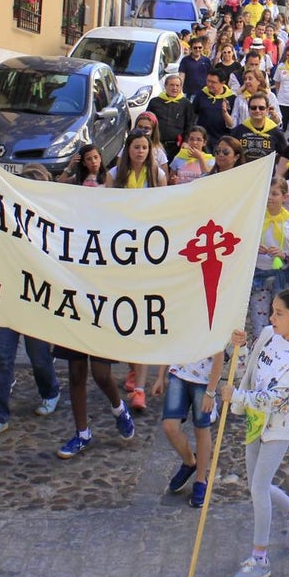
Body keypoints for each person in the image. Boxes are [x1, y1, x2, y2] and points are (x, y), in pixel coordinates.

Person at [223, 291, 289, 577]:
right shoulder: (267, 334)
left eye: (279, 313)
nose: (271, 317)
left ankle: (260, 559)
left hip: (279, 426)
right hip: (256, 420)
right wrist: (237, 349)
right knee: (256, 485)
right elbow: (249, 372)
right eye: (273, 311)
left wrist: (238, 397)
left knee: (259, 488)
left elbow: (276, 398)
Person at [53, 159, 137, 457]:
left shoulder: (113, 233)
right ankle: (81, 432)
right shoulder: (68, 232)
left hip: (101, 309)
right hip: (74, 307)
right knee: (76, 373)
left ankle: (118, 409)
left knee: (101, 374)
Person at [0, 164, 61, 443]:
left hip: (36, 299)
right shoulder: (3, 218)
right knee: (3, 359)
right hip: (7, 297)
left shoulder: (50, 224)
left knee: (38, 355)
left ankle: (50, 389)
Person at [107, 129, 166, 410]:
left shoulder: (158, 178)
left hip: (148, 255)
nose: (140, 151)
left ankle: (140, 387)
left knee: (142, 320)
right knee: (124, 320)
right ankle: (133, 367)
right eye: (136, 147)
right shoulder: (114, 178)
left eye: (144, 147)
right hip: (121, 255)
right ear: (128, 149)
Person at [150, 343, 225, 509]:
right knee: (169, 426)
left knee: (201, 428)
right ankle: (190, 461)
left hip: (203, 381)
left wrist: (211, 392)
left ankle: (200, 479)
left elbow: (219, 356)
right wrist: (160, 376)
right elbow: (170, 341)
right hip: (178, 374)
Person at [249, 177, 289, 344]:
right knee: (258, 323)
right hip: (259, 274)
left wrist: (284, 255)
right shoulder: (256, 218)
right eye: (267, 193)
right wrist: (253, 247)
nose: (270, 198)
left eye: (274, 194)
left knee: (282, 321)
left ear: (284, 197)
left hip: (283, 276)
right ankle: (259, 354)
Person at [147, 74, 195, 161]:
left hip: (177, 146)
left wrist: (186, 141)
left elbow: (190, 125)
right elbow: (147, 122)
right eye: (172, 85)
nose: (175, 88)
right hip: (157, 144)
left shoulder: (186, 104)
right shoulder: (155, 102)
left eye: (177, 85)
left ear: (181, 87)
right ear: (165, 86)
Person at [231, 93, 288, 163]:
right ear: (248, 110)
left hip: (266, 173)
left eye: (261, 108)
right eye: (253, 108)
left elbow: (285, 157)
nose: (257, 111)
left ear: (267, 110)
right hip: (243, 171)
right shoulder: (237, 131)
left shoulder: (276, 133)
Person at [191, 68, 235, 145]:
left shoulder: (231, 98)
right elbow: (192, 115)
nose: (209, 84)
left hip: (222, 140)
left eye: (214, 82)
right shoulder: (201, 94)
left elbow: (233, 122)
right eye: (208, 81)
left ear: (223, 83)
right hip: (203, 140)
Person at [133, 111, 170, 177]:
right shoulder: (128, 147)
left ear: (153, 131)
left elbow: (165, 178)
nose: (142, 131)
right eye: (140, 127)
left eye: (147, 128)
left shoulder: (159, 152)